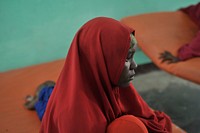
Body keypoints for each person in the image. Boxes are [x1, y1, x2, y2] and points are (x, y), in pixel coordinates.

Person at [25, 17, 172, 132]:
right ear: (101, 61)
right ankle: (42, 92)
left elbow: (151, 120)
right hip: (61, 108)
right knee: (46, 101)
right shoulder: (75, 119)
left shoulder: (115, 84)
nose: (135, 65)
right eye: (127, 58)